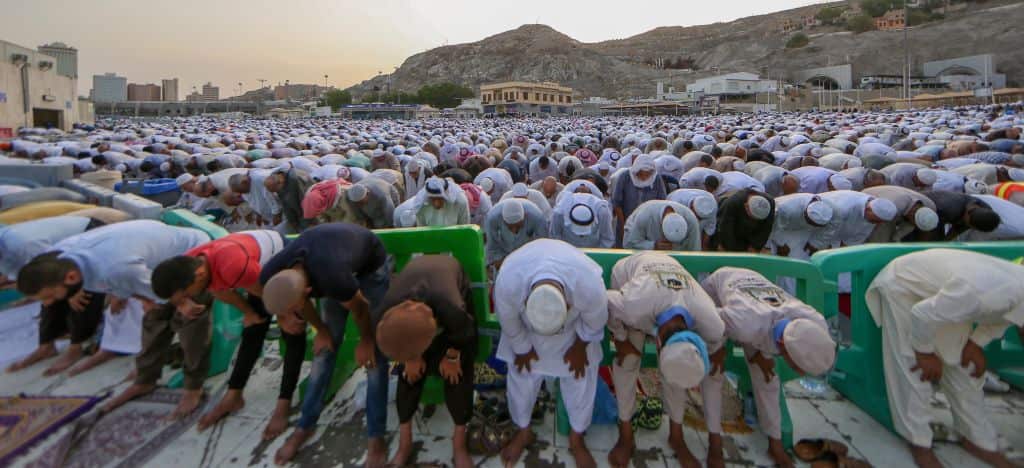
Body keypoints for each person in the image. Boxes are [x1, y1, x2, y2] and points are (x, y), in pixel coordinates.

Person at [18, 221, 209, 416]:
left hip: (191, 256)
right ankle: (145, 380)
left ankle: (193, 388)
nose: (49, 303)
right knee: (153, 321)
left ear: (71, 278)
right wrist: (131, 295)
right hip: (152, 264)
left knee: (191, 321)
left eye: (50, 296)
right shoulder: (60, 258)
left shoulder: (114, 269)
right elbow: (131, 281)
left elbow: (157, 290)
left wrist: (181, 303)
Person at [865, 249, 1023, 468]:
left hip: (947, 296)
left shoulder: (1012, 295)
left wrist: (976, 343)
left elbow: (1007, 315)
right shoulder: (988, 294)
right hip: (904, 286)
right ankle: (919, 442)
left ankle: (977, 440)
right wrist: (924, 352)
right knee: (914, 369)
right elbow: (922, 314)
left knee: (966, 369)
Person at [149, 230, 306, 441]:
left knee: (293, 331)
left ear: (199, 276)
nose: (187, 300)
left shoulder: (232, 266)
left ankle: (283, 404)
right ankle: (233, 396)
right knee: (253, 329)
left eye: (186, 295)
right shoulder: (188, 264)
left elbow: (268, 293)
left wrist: (285, 314)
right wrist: (248, 313)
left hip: (278, 257)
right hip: (250, 268)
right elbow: (220, 290)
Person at [259, 223, 392, 466]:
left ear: (309, 291)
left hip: (368, 262)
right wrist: (320, 330)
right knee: (324, 352)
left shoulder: (332, 278)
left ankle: (376, 436)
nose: (288, 319)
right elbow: (299, 303)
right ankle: (305, 425)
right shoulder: (270, 275)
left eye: (291, 312)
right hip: (330, 258)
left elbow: (361, 308)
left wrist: (366, 340)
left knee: (375, 357)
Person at [700, 267, 836, 468]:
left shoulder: (815, 321)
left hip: (757, 306)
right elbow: (706, 316)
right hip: (719, 294)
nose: (799, 372)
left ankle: (775, 443)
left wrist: (759, 355)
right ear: (783, 348)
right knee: (715, 370)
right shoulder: (745, 324)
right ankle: (714, 441)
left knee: (768, 377)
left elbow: (768, 330)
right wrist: (717, 349)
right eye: (797, 366)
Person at [605, 252, 725, 468]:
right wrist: (620, 338)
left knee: (682, 368)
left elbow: (717, 339)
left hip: (665, 285)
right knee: (629, 359)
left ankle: (676, 436)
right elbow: (607, 301)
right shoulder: (633, 304)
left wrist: (716, 352)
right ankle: (626, 433)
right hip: (629, 275)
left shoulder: (710, 320)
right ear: (657, 342)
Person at [495, 239, 607, 468]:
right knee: (521, 373)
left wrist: (580, 347)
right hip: (527, 328)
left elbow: (595, 322)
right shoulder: (509, 280)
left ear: (568, 303)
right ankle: (523, 431)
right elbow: (508, 320)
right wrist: (522, 348)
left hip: (573, 330)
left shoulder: (587, 283)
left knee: (581, 376)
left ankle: (577, 439)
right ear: (526, 299)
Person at [372, 255, 477, 468]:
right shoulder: (383, 314)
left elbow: (466, 332)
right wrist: (412, 360)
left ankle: (459, 443)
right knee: (408, 374)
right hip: (415, 311)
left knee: (457, 375)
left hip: (456, 323)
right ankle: (405, 443)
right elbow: (400, 342)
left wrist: (452, 356)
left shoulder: (452, 307)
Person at [2, 216, 116, 374]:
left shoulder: (23, 244)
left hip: (89, 235)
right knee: (48, 297)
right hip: (61, 258)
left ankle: (76, 347)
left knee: (79, 295)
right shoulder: (4, 252)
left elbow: (55, 267)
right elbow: (26, 279)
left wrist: (74, 291)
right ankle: (46, 346)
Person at [612, 155, 667, 246]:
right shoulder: (625, 177)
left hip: (649, 224)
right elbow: (617, 203)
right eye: (641, 174)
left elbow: (661, 202)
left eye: (647, 174)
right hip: (626, 221)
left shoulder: (656, 179)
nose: (644, 177)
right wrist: (623, 226)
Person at [484, 198, 548, 270]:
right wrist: (499, 261)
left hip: (528, 254)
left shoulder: (537, 217)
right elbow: (492, 245)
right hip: (504, 252)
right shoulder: (492, 218)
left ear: (524, 217)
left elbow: (542, 245)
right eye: (510, 227)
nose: (514, 231)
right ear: (503, 220)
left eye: (518, 226)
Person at [768, 194, 837, 259]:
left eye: (815, 225)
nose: (811, 225)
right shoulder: (786, 209)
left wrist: (816, 243)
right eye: (810, 222)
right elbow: (773, 226)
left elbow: (831, 226)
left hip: (799, 228)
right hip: (779, 225)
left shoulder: (832, 209)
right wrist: (781, 243)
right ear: (805, 213)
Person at [819, 191, 898, 248]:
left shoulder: (874, 210)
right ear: (868, 209)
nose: (878, 224)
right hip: (818, 221)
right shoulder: (844, 207)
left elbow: (856, 240)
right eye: (875, 221)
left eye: (881, 222)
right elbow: (822, 232)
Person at [863, 186, 940, 243]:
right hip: (869, 198)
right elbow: (876, 227)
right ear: (912, 217)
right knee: (880, 240)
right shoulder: (892, 207)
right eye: (916, 225)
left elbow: (908, 226)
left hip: (895, 201)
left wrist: (896, 240)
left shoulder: (931, 206)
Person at [623, 200, 701, 251]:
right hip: (636, 228)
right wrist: (653, 246)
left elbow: (695, 252)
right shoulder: (644, 217)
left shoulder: (692, 221)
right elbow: (629, 244)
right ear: (661, 229)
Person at [920, 190, 1000, 241]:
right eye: (970, 226)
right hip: (921, 207)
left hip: (940, 214)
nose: (969, 228)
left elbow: (957, 230)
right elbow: (929, 228)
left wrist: (945, 242)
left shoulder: (985, 211)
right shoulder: (950, 209)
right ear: (967, 215)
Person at [549, 192, 614, 248]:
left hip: (594, 248)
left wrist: (597, 255)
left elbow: (607, 239)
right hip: (567, 249)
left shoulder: (602, 212)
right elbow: (555, 237)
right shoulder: (559, 213)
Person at [263, 166, 313, 232]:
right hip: (299, 214)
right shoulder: (278, 182)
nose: (276, 192)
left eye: (275, 190)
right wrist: (293, 222)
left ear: (280, 182)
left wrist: (305, 225)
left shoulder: (295, 179)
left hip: (312, 213)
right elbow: (286, 206)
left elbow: (308, 205)